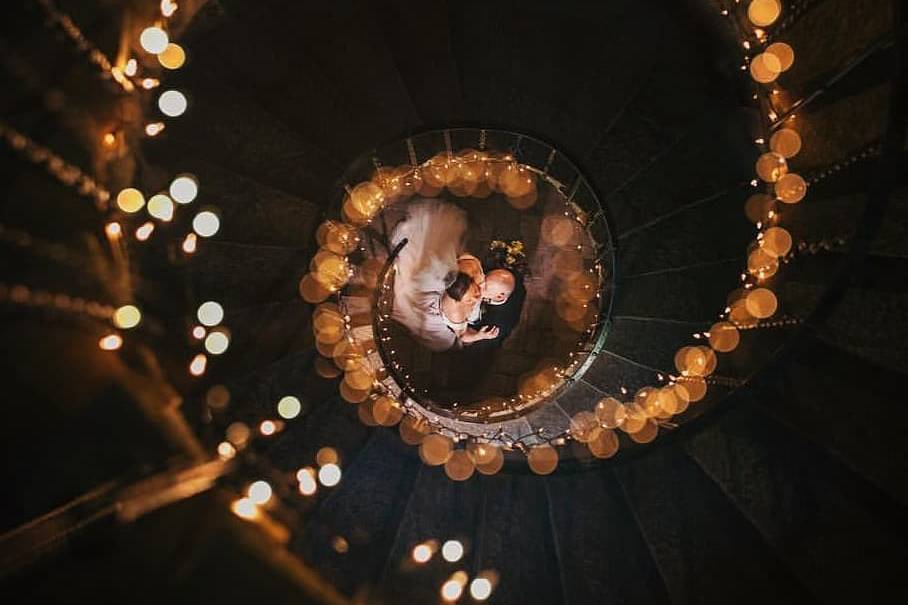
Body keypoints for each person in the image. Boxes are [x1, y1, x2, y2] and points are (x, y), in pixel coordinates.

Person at [389, 200, 498, 351]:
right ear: (457, 301)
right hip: (434, 308)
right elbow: (462, 335)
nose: (478, 295)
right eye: (472, 298)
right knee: (444, 343)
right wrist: (481, 336)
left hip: (435, 285)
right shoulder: (455, 312)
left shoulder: (466, 272)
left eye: (476, 290)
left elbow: (469, 268)